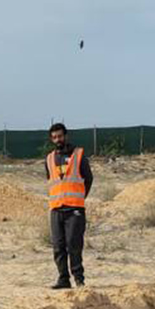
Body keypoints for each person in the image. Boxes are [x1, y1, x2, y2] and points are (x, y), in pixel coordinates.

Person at [43, 122, 92, 289]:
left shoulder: (78, 155)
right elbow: (52, 181)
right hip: (56, 208)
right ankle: (63, 279)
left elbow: (88, 179)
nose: (58, 139)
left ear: (66, 136)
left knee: (74, 244)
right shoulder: (49, 159)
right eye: (54, 137)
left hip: (74, 209)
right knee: (58, 246)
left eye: (60, 136)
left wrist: (80, 198)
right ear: (51, 139)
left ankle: (79, 279)